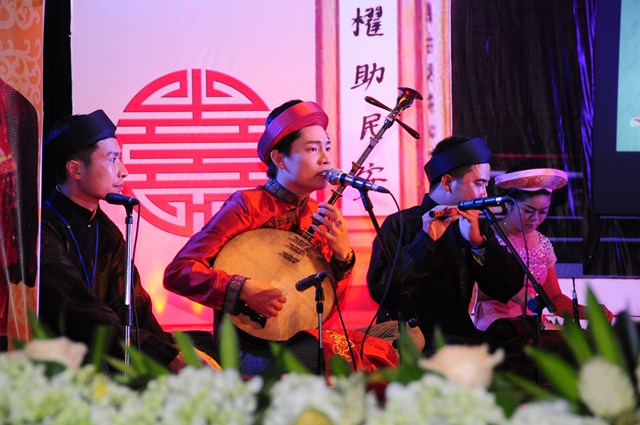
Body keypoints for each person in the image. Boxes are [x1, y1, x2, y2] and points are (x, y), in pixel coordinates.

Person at [163, 100, 403, 375]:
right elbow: (178, 272)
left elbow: (325, 307)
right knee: (324, 356)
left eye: (327, 147)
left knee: (404, 333)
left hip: (300, 339)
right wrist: (242, 288)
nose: (325, 159)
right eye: (312, 149)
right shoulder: (248, 206)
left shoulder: (318, 215)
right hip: (250, 348)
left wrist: (343, 256)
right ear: (279, 159)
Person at [39, 110, 213, 372]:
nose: (123, 171)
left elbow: (136, 308)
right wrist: (163, 354)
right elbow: (78, 311)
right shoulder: (41, 230)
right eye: (112, 160)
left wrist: (172, 351)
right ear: (75, 169)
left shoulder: (107, 231)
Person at [367, 135, 524, 351]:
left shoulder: (476, 226)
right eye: (479, 183)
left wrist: (478, 244)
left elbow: (508, 287)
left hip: (460, 338)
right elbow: (383, 292)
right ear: (447, 182)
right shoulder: (400, 223)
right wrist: (425, 241)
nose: (485, 193)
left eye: (486, 185)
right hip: (406, 343)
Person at [474, 166, 614, 336]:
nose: (535, 218)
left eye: (543, 211)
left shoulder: (543, 244)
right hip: (496, 324)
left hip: (533, 324)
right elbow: (473, 290)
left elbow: (554, 299)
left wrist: (589, 312)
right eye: (528, 211)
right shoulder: (486, 238)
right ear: (508, 204)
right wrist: (512, 294)